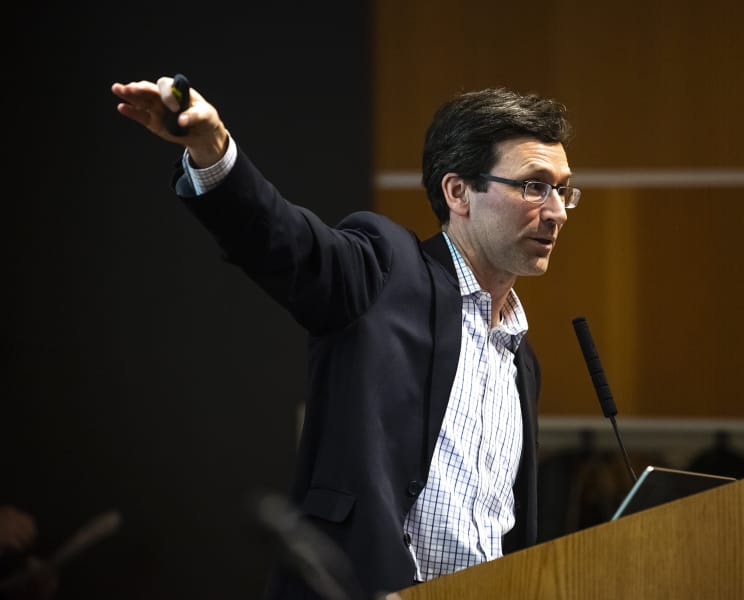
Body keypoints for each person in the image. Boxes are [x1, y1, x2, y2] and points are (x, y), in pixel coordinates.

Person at [111, 76, 580, 600]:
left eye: (562, 189)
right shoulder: (385, 269)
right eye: (535, 185)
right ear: (459, 192)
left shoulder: (521, 359)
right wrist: (213, 150)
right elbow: (283, 239)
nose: (557, 210)